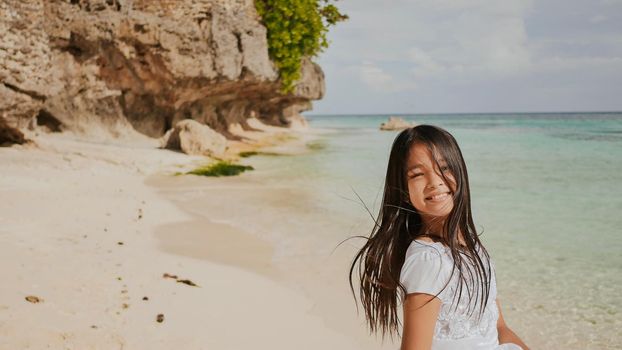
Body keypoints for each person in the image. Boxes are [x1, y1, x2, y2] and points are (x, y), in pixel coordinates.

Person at [349, 125, 529, 350]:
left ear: (460, 172)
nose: (435, 182)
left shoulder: (473, 247)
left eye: (443, 168)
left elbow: (500, 328)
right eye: (417, 175)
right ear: (404, 193)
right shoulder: (429, 260)